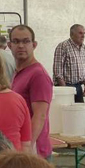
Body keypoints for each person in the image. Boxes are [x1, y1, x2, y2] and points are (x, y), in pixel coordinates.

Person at [9, 25, 54, 160]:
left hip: (35, 152)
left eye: (26, 41)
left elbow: (39, 116)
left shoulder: (38, 75)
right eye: (16, 41)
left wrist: (27, 148)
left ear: (34, 45)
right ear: (9, 45)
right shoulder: (19, 72)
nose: (21, 45)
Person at [53, 24, 85, 103]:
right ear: (72, 34)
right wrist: (65, 91)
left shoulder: (83, 47)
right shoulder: (63, 46)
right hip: (66, 86)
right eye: (80, 33)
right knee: (67, 113)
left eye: (84, 33)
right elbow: (57, 71)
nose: (83, 36)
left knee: (78, 112)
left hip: (78, 86)